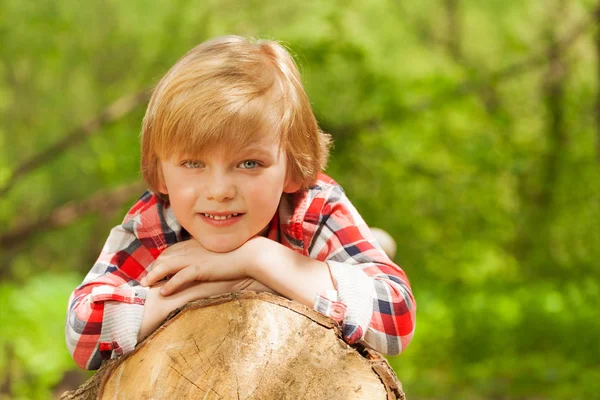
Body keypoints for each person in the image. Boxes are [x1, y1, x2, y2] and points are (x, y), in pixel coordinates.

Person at [65, 35, 416, 370]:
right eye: (193, 163)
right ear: (160, 174)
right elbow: (83, 333)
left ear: (293, 168)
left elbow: (397, 317)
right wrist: (207, 286)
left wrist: (257, 258)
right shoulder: (156, 223)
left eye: (249, 164)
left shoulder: (314, 210)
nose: (219, 191)